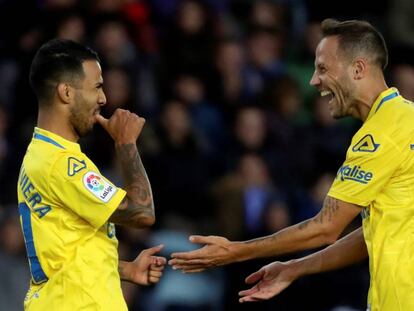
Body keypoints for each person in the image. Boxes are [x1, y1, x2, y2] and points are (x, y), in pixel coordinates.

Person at [169, 19, 414, 311]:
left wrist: (236, 251)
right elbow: (373, 233)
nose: (313, 80)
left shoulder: (380, 134)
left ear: (358, 69)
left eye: (323, 68)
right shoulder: (405, 119)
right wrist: (295, 268)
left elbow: (326, 227)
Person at [18, 38, 166, 310]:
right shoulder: (61, 164)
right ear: (66, 92)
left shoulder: (39, 155)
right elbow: (142, 212)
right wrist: (126, 143)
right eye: (97, 87)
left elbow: (64, 253)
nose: (103, 98)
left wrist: (123, 270)